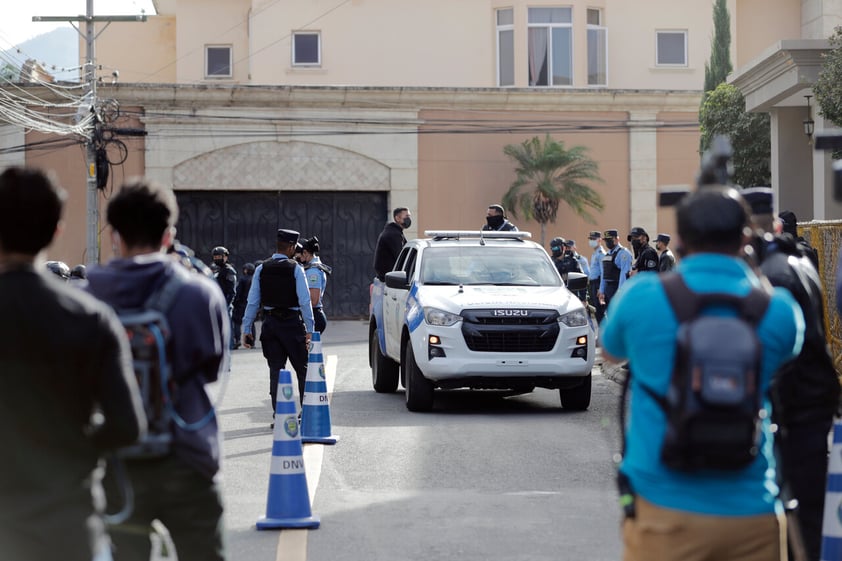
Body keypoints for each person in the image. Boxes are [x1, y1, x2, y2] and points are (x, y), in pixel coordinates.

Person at [601, 185, 804, 561]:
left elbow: (610, 351)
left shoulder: (642, 296)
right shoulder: (779, 310)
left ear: (677, 240)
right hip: (753, 514)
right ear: (746, 237)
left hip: (662, 510)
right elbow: (785, 358)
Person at [0, 166, 146, 561]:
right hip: (68, 522)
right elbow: (127, 425)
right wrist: (71, 445)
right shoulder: (91, 317)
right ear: (57, 230)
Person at [86, 178, 229, 561]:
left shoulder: (85, 299)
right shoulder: (199, 293)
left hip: (116, 465)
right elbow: (212, 368)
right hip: (188, 458)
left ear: (114, 235)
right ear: (169, 235)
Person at [743, 187, 840, 561]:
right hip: (811, 403)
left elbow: (779, 357)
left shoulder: (772, 277)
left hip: (796, 408)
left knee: (796, 510)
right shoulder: (798, 260)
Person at [241, 229, 315, 419]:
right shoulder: (296, 269)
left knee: (276, 370)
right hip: (292, 324)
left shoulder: (261, 268)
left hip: (270, 324)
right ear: (291, 247)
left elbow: (252, 302)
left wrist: (246, 328)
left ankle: (279, 414)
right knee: (302, 369)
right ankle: (305, 413)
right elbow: (305, 302)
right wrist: (310, 329)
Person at [300, 236, 332, 334]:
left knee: (308, 348)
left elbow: (313, 301)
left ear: (305, 253)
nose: (297, 258)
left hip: (314, 316)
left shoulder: (313, 271)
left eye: (298, 255)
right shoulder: (310, 267)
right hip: (311, 315)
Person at [597, 229, 633, 310]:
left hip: (617, 288)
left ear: (617, 239)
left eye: (610, 240)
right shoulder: (607, 254)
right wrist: (602, 290)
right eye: (606, 240)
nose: (607, 243)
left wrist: (620, 293)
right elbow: (604, 274)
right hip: (608, 290)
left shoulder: (624, 253)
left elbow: (624, 274)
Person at [373, 207, 411, 281]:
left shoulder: (396, 232)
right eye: (406, 216)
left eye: (409, 216)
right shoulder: (393, 234)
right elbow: (401, 257)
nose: (409, 219)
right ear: (397, 218)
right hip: (389, 280)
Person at [231, 262, 255, 349]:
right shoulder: (254, 279)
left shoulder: (242, 280)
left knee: (237, 322)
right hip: (251, 304)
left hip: (241, 304)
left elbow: (238, 293)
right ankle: (251, 342)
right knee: (251, 323)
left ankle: (237, 340)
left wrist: (235, 302)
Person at [586, 230, 606, 323]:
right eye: (590, 239)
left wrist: (601, 288)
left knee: (600, 311)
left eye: (593, 239)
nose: (591, 241)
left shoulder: (601, 254)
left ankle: (604, 332)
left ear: (599, 240)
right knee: (597, 311)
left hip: (598, 283)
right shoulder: (595, 253)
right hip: (593, 283)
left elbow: (603, 272)